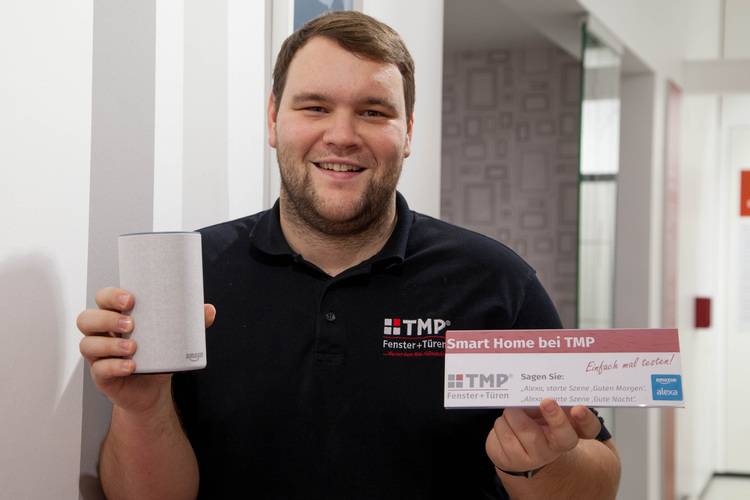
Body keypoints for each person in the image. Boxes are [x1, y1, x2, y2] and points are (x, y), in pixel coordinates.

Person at [77, 11, 621, 499]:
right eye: (315, 107)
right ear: (273, 119)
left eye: (373, 112)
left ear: (408, 132)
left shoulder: (497, 282)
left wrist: (545, 464)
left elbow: (599, 477)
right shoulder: (188, 279)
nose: (342, 135)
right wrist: (142, 409)